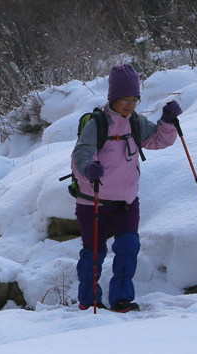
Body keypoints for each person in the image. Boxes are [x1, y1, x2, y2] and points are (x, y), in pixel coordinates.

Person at [69, 64, 181, 312]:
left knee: (128, 248)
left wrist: (167, 121)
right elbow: (80, 155)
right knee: (94, 254)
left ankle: (121, 299)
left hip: (127, 201)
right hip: (93, 200)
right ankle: (89, 299)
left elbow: (160, 140)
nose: (130, 105)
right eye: (125, 99)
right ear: (113, 98)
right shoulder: (97, 124)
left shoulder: (136, 123)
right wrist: (89, 169)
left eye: (134, 99)